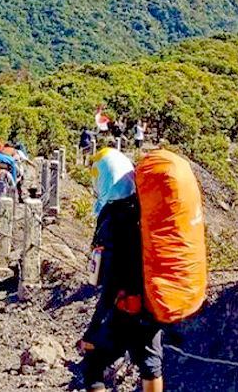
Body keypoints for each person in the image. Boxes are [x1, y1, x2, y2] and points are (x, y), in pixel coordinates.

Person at [79, 149, 165, 392]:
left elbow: (111, 280)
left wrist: (93, 328)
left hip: (122, 306)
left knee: (93, 366)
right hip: (150, 303)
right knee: (151, 365)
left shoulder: (112, 221)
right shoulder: (143, 210)